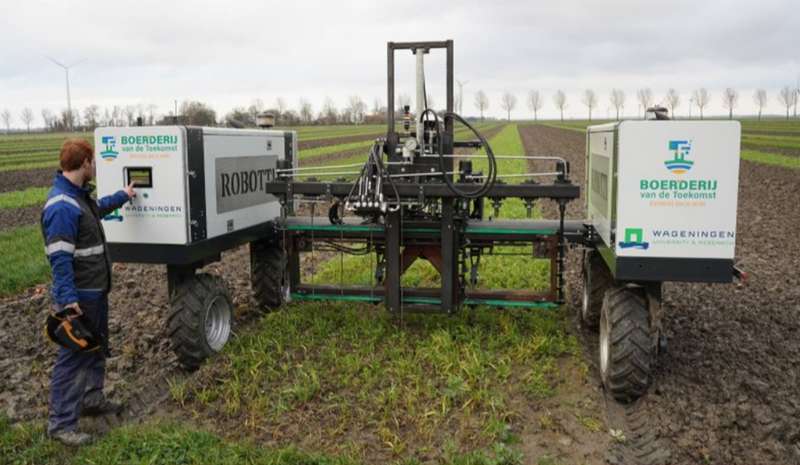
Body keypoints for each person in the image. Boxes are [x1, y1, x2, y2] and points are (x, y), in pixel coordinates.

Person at [41, 139, 136, 446]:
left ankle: (92, 400)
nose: (95, 167)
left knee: (95, 349)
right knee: (73, 359)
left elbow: (99, 208)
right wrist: (68, 302)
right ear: (84, 163)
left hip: (94, 291)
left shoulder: (78, 198)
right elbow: (60, 259)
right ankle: (61, 425)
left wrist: (125, 195)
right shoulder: (62, 206)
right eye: (93, 162)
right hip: (80, 297)